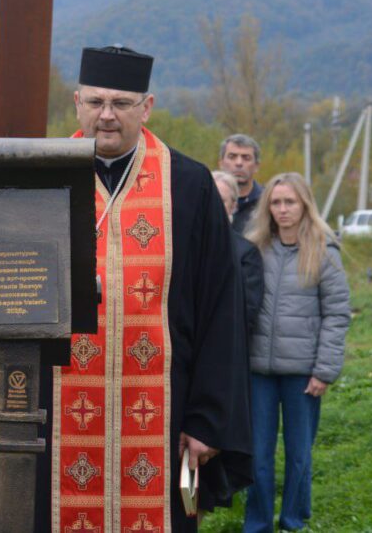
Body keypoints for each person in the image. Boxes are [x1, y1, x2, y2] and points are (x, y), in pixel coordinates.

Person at [41, 44, 252, 533]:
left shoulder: (189, 185)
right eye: (95, 102)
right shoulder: (45, 175)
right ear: (76, 103)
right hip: (57, 410)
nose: (106, 115)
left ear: (147, 107)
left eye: (121, 103)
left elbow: (221, 308)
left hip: (163, 413)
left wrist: (207, 418)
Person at [242, 172, 350, 532]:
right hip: (258, 369)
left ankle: (293, 520)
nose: (283, 209)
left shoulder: (324, 251)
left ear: (304, 205)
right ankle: (257, 523)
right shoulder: (255, 249)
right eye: (276, 202)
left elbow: (337, 314)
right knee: (258, 454)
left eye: (290, 202)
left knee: (299, 453)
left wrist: (324, 370)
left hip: (303, 372)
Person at [212, 170, 264, 331]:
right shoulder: (184, 244)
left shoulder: (246, 252)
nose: (214, 206)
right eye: (210, 199)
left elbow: (248, 309)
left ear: (233, 206)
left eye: (221, 200)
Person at [219, 134, 263, 233]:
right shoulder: (208, 200)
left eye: (246, 158)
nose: (239, 163)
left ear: (256, 166)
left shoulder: (267, 202)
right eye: (232, 157)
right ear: (221, 163)